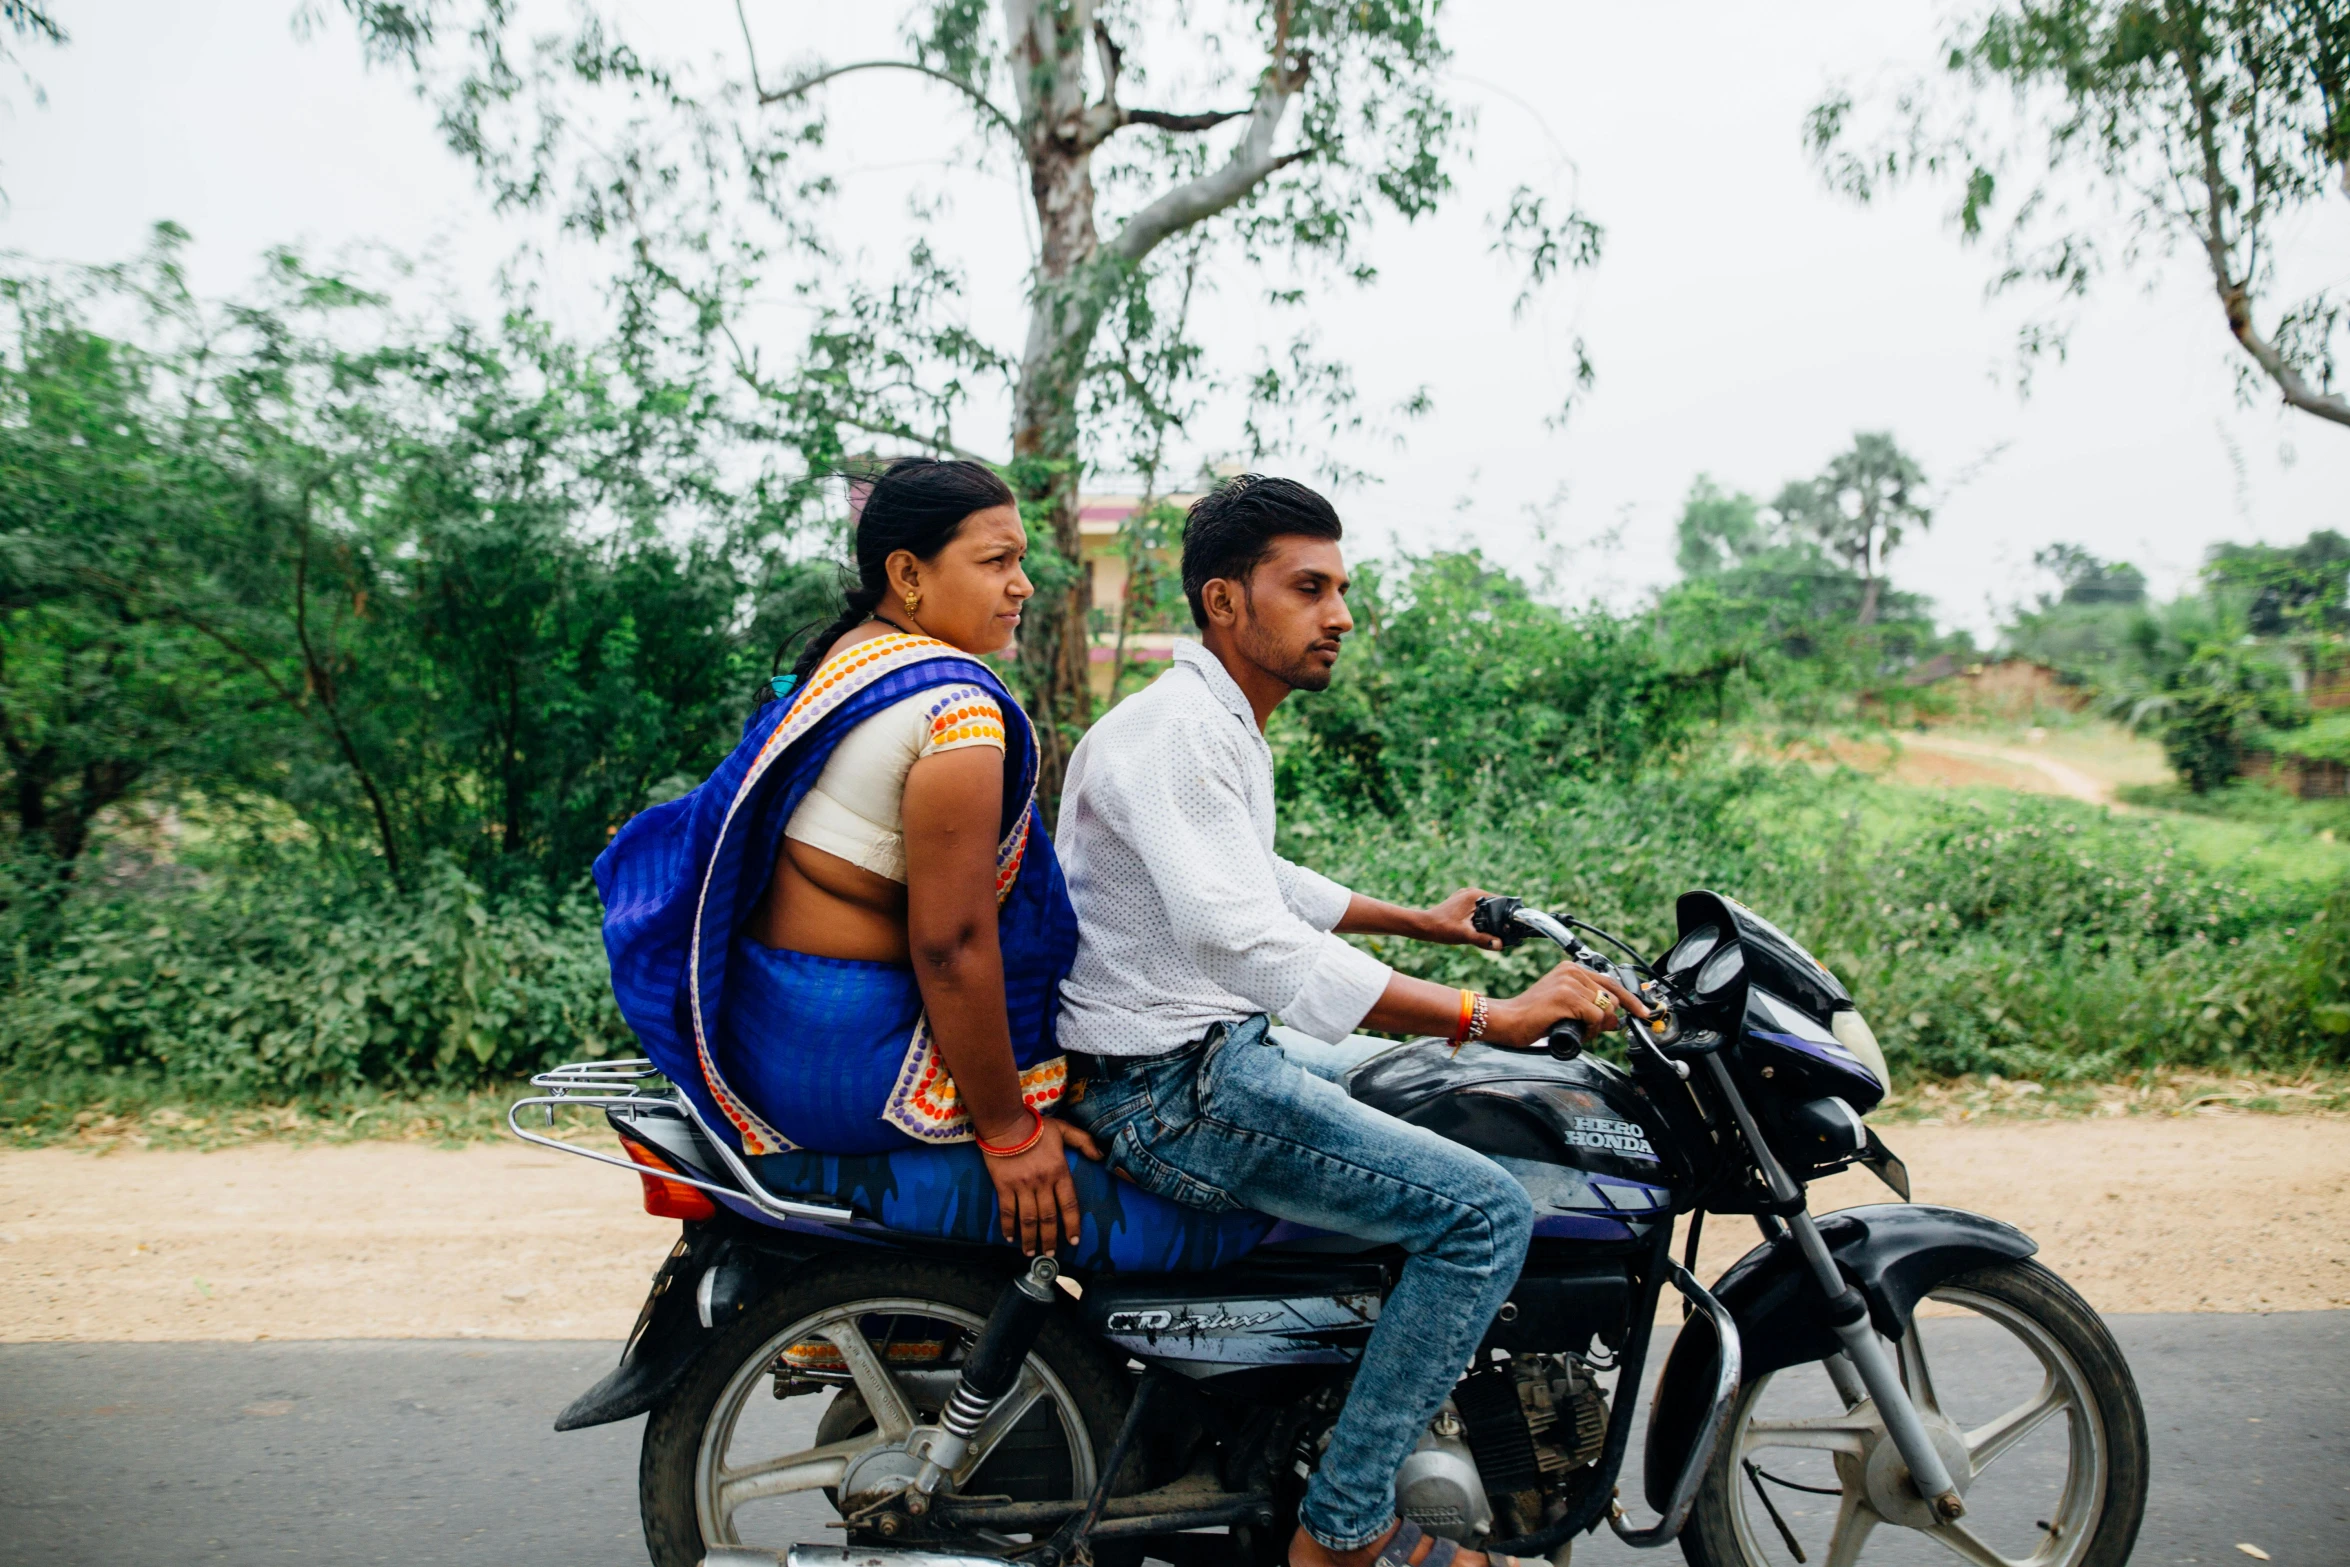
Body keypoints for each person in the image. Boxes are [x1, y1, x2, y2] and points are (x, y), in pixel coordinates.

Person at [1054, 474, 1647, 1567]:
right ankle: (1345, 1525)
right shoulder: (1183, 732)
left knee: (1433, 1081)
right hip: (1181, 1087)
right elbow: (1245, 940)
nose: (1341, 615)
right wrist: (1492, 1015)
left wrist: (1419, 924)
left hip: (1197, 1056)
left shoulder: (1205, 722)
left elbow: (1258, 880)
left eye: (1342, 588)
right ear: (1225, 603)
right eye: (1309, 587)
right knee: (1482, 1215)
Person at [597, 457, 1099, 1256]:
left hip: (769, 1030)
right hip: (854, 1065)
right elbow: (952, 944)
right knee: (1110, 1133)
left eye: (1021, 560)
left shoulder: (847, 661)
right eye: (996, 561)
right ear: (907, 573)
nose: (1024, 584)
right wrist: (1008, 1132)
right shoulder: (957, 711)